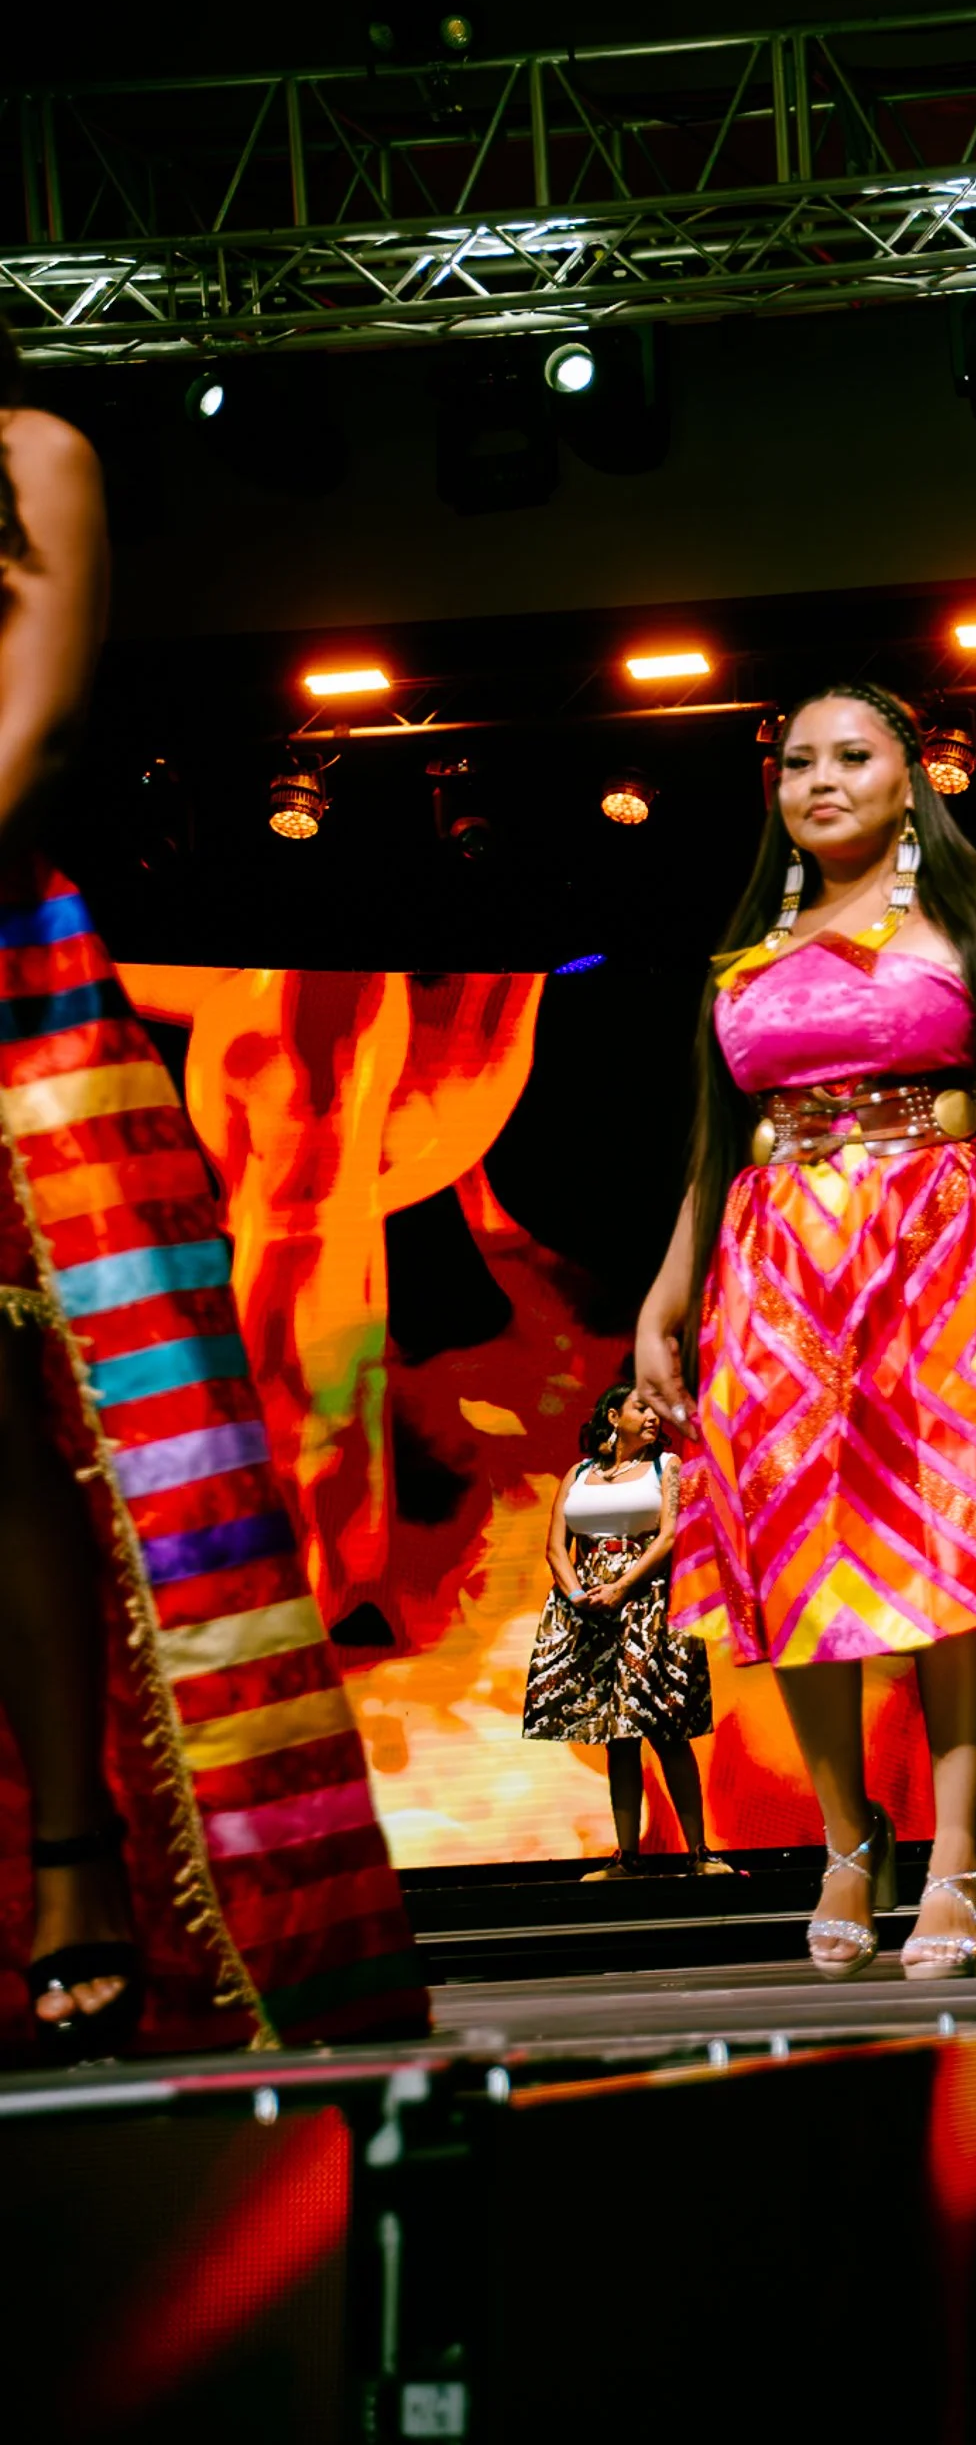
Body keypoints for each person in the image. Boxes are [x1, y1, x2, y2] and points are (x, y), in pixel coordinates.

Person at [0, 327, 423, 2059]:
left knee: (30, 1435)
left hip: (3, 983)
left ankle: (81, 1870)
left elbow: (31, 720)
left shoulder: (29, 450)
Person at [633, 683, 976, 1983]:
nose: (823, 780)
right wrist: (665, 1297)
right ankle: (847, 1840)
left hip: (941, 1244)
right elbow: (711, 1144)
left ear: (910, 774)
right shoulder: (756, 935)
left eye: (852, 756)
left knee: (950, 1552)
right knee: (795, 1556)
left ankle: (959, 1858)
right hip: (779, 1259)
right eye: (798, 760)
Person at [528, 1382, 735, 1880]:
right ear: (611, 1415)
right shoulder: (577, 1474)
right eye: (641, 1408)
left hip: (649, 1601)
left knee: (667, 1729)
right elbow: (557, 1547)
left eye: (656, 1411)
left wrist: (622, 1586)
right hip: (588, 1607)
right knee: (614, 1734)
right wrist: (579, 1596)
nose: (652, 1417)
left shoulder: (667, 1469)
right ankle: (627, 1857)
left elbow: (669, 1536)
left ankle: (699, 1852)